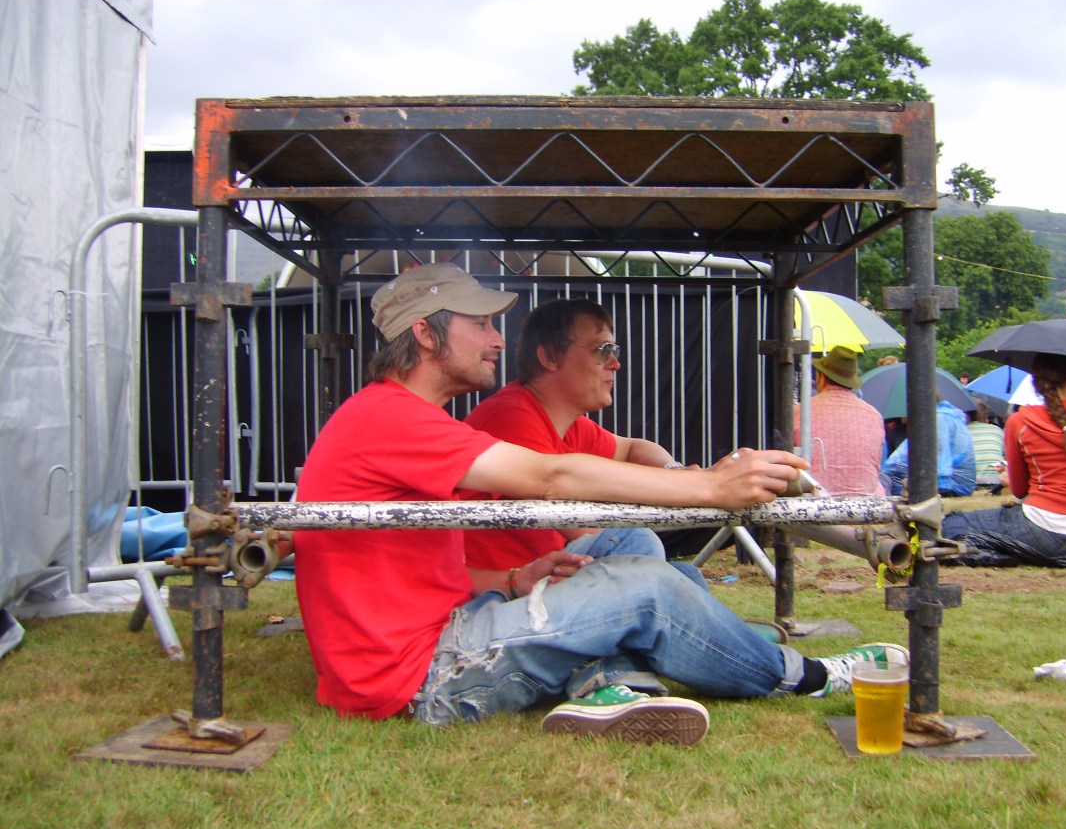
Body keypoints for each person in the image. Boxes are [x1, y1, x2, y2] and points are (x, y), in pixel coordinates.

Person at [291, 262, 908, 745]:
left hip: (437, 638)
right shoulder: (391, 418)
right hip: (419, 679)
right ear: (425, 334)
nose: (497, 339)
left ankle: (609, 679)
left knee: (635, 559)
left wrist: (512, 578)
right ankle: (808, 676)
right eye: (478, 324)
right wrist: (710, 488)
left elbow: (400, 566)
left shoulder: (390, 416)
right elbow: (550, 476)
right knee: (647, 588)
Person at [461, 298, 705, 591]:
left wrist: (673, 471)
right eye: (603, 351)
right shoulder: (511, 416)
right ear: (550, 357)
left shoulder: (566, 422)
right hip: (502, 595)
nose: (615, 363)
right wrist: (697, 487)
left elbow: (632, 448)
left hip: (541, 582)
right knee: (636, 544)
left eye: (613, 351)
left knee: (686, 579)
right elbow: (584, 527)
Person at [942, 353, 1066, 555]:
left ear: (1035, 383)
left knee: (953, 523)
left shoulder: (1019, 422)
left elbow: (1019, 491)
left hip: (1041, 527)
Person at [792, 345, 885, 496]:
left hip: (813, 504)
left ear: (821, 377)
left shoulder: (800, 411)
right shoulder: (874, 415)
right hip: (865, 506)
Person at [881, 398, 976, 497]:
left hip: (950, 486)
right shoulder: (941, 417)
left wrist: (934, 489)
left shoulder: (939, 418)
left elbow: (941, 465)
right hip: (948, 483)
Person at [967, 401, 1005, 488]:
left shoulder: (963, 431)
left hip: (972, 479)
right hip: (996, 477)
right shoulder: (997, 430)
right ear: (986, 417)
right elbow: (1005, 454)